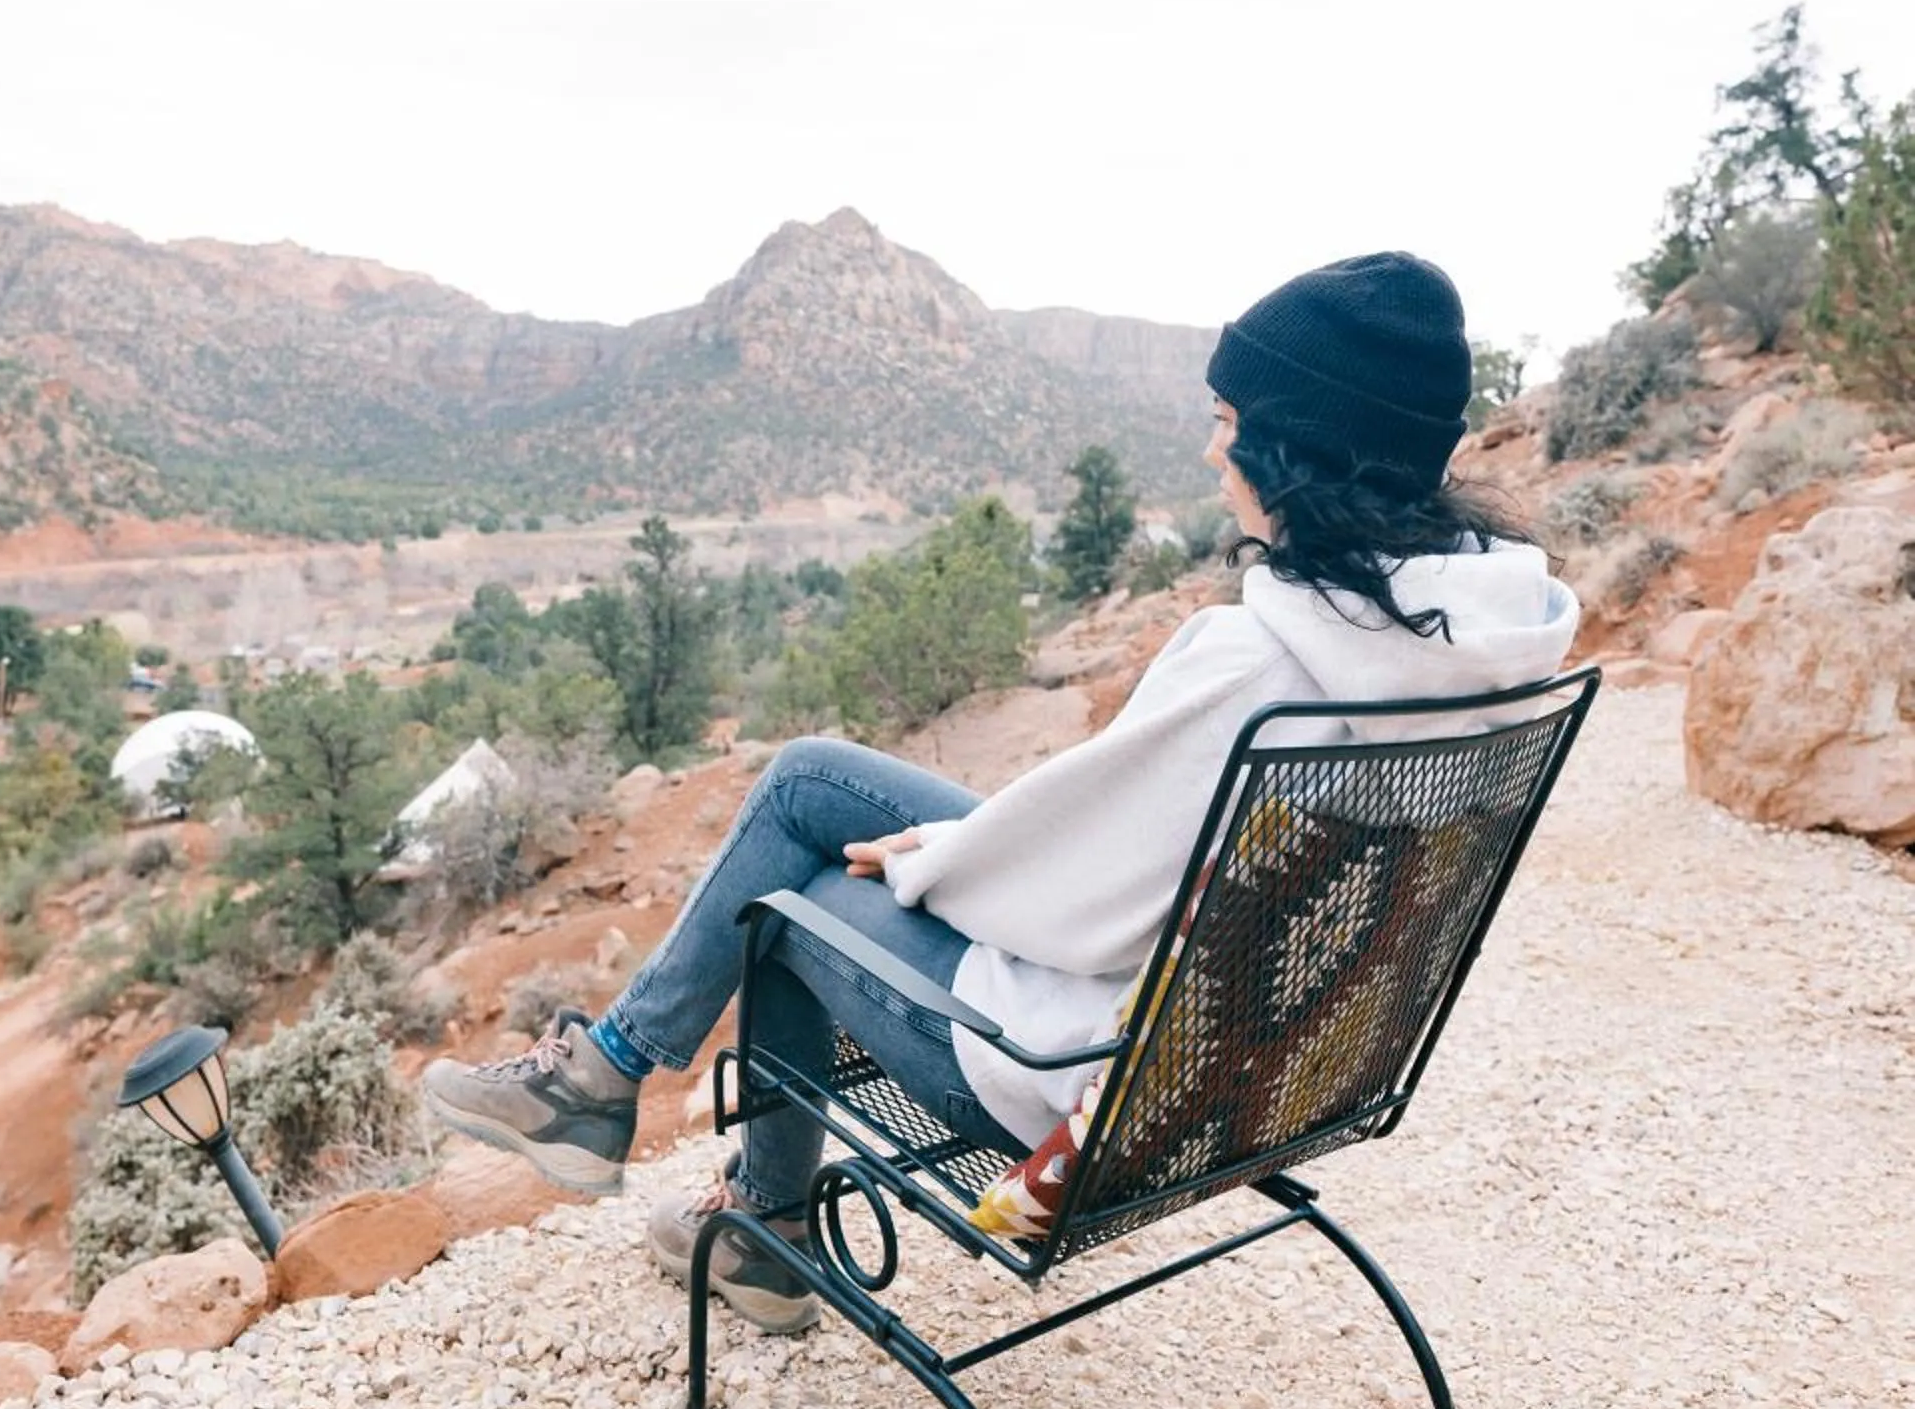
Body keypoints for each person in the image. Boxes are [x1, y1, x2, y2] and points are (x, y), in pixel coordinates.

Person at [424, 251, 1580, 1333]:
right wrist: (950, 849)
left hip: (1065, 1062)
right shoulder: (1475, 649)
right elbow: (1124, 857)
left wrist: (934, 863)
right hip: (1257, 1067)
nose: (1212, 454)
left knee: (787, 898)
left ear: (1297, 449)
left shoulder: (1259, 665)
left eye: (1228, 426)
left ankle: (745, 1215)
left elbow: (1078, 907)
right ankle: (613, 1083)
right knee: (815, 781)